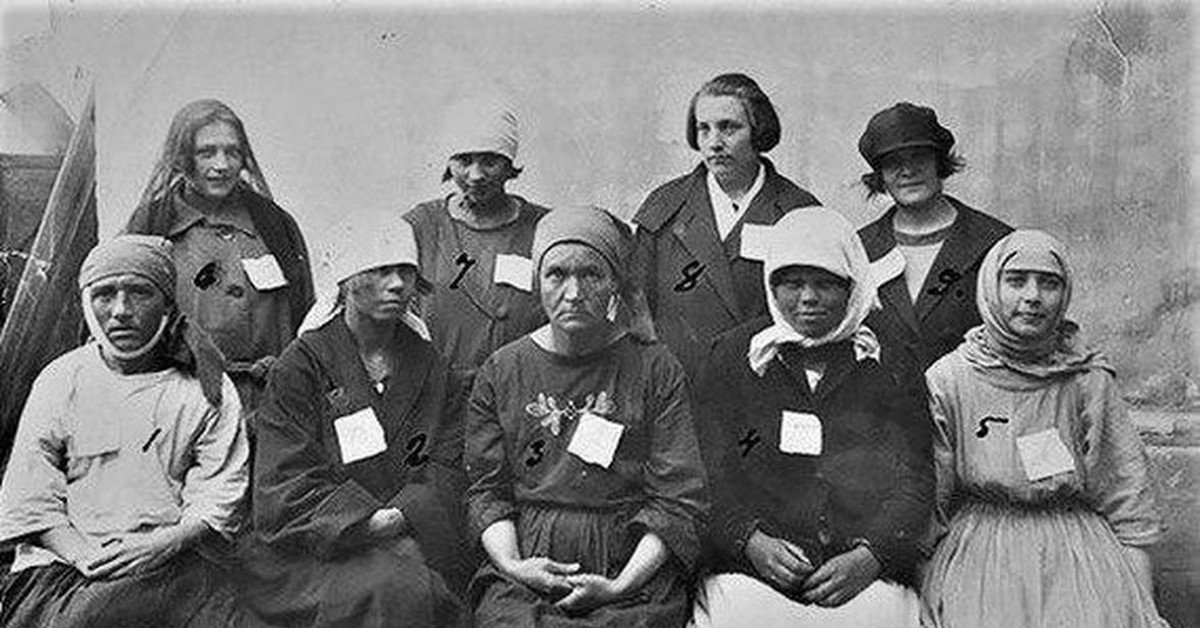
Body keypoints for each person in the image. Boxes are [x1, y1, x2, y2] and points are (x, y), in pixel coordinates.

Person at [465, 207, 708, 627]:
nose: (574, 293)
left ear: (615, 282)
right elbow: (487, 490)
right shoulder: (502, 370)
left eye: (592, 274)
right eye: (557, 275)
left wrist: (620, 586)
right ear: (537, 281)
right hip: (527, 561)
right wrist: (514, 565)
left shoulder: (655, 369)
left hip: (628, 565)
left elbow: (678, 498)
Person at [690, 208, 932, 627]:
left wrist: (871, 555)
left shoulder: (889, 357)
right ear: (771, 285)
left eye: (825, 284)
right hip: (750, 574)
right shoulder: (732, 356)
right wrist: (749, 541)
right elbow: (707, 473)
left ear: (852, 286)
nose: (808, 298)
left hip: (864, 575)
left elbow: (916, 476)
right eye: (793, 283)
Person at [921, 230, 1167, 628]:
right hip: (981, 556)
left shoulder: (1086, 379)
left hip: (1078, 558)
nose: (1033, 296)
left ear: (1065, 293)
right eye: (1016, 281)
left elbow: (1128, 501)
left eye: (1049, 283)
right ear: (991, 287)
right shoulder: (950, 379)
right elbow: (930, 505)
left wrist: (1142, 608)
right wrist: (931, 589)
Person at [0, 235, 249, 627]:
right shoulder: (62, 380)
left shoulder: (206, 387)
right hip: (65, 566)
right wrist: (86, 557)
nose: (120, 311)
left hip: (172, 561)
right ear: (86, 303)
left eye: (139, 293)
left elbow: (219, 495)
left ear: (167, 304)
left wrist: (161, 545)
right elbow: (31, 497)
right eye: (104, 295)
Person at [241, 213, 470, 627]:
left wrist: (402, 519)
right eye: (381, 271)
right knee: (396, 588)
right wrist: (367, 525)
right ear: (346, 281)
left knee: (417, 585)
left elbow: (448, 466)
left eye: (405, 271)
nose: (397, 284)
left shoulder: (433, 367)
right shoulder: (301, 366)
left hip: (416, 535)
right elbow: (285, 480)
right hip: (316, 551)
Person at [124, 99, 314, 416]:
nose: (222, 164)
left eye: (232, 152)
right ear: (183, 158)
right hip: (186, 404)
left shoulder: (275, 224)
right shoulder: (152, 225)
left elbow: (306, 315)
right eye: (207, 152)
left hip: (272, 405)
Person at [633, 73, 821, 381]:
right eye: (703, 129)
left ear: (758, 131)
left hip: (768, 384)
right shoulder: (664, 207)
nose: (714, 143)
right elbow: (636, 308)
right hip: (680, 385)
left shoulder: (797, 211)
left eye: (729, 128)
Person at [856, 102, 1012, 394]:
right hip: (882, 412)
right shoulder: (858, 249)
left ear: (939, 162)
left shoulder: (995, 244)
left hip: (971, 405)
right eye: (893, 162)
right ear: (880, 175)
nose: (907, 170)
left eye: (919, 157)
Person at [404, 97, 551, 382]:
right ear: (449, 162)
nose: (476, 175)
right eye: (464, 161)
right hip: (437, 392)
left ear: (509, 164)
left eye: (490, 161)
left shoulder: (543, 228)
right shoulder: (421, 226)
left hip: (520, 387)